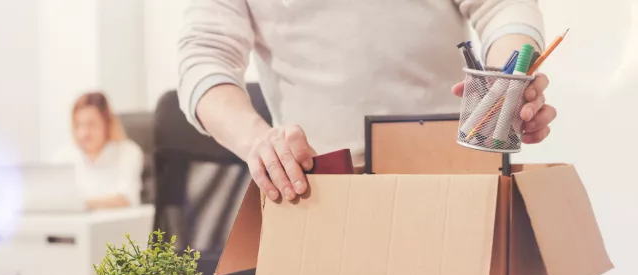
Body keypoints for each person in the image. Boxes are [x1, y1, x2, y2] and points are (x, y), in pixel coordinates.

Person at [177, 0, 556, 202]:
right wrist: (257, 141)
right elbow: (205, 59)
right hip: (319, 191)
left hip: (451, 182)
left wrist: (507, 85)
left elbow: (504, 6)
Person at [68, 92, 144, 209]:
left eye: (91, 124)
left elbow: (126, 199)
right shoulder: (64, 156)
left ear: (107, 124)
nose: (84, 133)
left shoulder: (128, 152)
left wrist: (82, 205)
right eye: (78, 125)